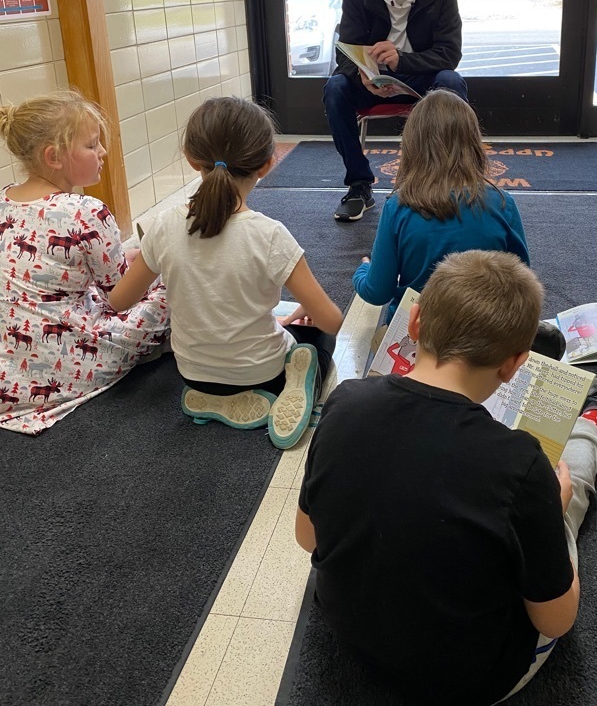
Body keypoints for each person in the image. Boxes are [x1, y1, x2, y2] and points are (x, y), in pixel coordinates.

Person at [296, 250, 597, 706]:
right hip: (476, 681)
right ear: (513, 364)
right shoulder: (519, 462)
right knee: (563, 492)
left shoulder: (344, 401)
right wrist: (549, 510)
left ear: (413, 322)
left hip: (348, 636)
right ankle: (593, 416)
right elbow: (557, 619)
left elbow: (306, 535)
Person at [109, 96, 343, 450]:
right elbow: (331, 321)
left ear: (191, 159)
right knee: (318, 341)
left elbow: (119, 300)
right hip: (263, 371)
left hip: (193, 374)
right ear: (267, 164)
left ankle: (212, 400)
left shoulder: (162, 226)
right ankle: (298, 386)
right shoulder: (269, 235)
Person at [0, 90, 169, 435]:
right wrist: (156, 261)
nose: (103, 152)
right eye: (92, 146)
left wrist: (128, 258)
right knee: (171, 283)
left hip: (8, 370)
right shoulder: (88, 212)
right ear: (54, 157)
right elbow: (120, 297)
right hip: (65, 360)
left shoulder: (4, 199)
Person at [351, 89, 564, 355]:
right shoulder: (502, 203)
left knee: (376, 342)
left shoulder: (399, 206)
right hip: (484, 337)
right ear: (474, 143)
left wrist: (362, 271)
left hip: (421, 338)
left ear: (412, 146)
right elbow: (520, 282)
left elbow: (376, 292)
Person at [323, 0, 467, 222]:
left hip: (422, 81)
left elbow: (449, 53)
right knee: (335, 87)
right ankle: (359, 184)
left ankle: (444, 181)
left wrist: (403, 60)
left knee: (452, 82)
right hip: (374, 83)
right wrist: (362, 73)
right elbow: (346, 52)